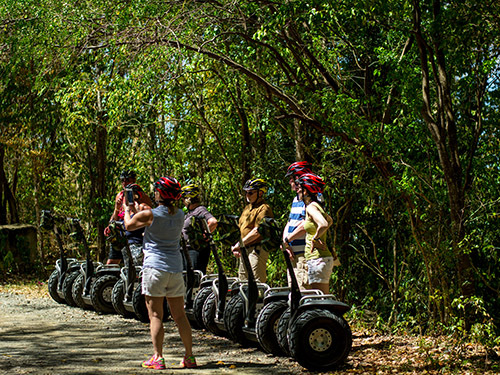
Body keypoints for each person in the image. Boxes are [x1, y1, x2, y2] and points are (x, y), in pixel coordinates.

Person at [123, 176, 197, 370]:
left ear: (159, 194)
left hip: (154, 268)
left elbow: (128, 225)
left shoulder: (151, 215)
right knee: (180, 315)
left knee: (155, 314)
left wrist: (127, 207)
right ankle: (189, 356)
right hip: (175, 268)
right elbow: (158, 207)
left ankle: (158, 356)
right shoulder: (180, 214)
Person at [104, 170, 153, 265]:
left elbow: (148, 218)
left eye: (127, 180)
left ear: (134, 180)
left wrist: (135, 207)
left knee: (131, 267)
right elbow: (113, 220)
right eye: (122, 180)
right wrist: (116, 209)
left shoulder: (142, 196)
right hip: (120, 236)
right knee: (110, 264)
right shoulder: (120, 195)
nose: (124, 182)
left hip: (134, 237)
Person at [296, 173, 334, 294]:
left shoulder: (311, 207)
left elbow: (324, 224)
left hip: (317, 259)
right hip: (319, 259)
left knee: (320, 300)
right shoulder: (317, 206)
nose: (297, 191)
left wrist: (315, 239)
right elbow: (330, 220)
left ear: (306, 191)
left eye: (300, 188)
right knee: (320, 298)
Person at [230, 178, 273, 283]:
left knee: (256, 284)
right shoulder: (247, 208)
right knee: (243, 283)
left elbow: (257, 231)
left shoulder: (264, 208)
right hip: (244, 249)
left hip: (256, 250)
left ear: (260, 193)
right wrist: (236, 245)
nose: (247, 196)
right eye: (246, 193)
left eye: (250, 193)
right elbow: (241, 228)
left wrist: (239, 244)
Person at [282, 161, 313, 290]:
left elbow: (304, 225)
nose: (290, 182)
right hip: (292, 254)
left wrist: (288, 240)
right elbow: (290, 222)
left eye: (291, 178)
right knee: (293, 292)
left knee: (302, 292)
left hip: (303, 256)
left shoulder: (310, 199)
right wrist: (286, 244)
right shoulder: (296, 199)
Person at [181, 184, 218, 274]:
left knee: (195, 278)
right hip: (185, 250)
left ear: (189, 199)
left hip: (195, 250)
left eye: (183, 199)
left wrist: (204, 235)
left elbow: (213, 222)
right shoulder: (190, 213)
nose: (182, 201)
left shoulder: (200, 210)